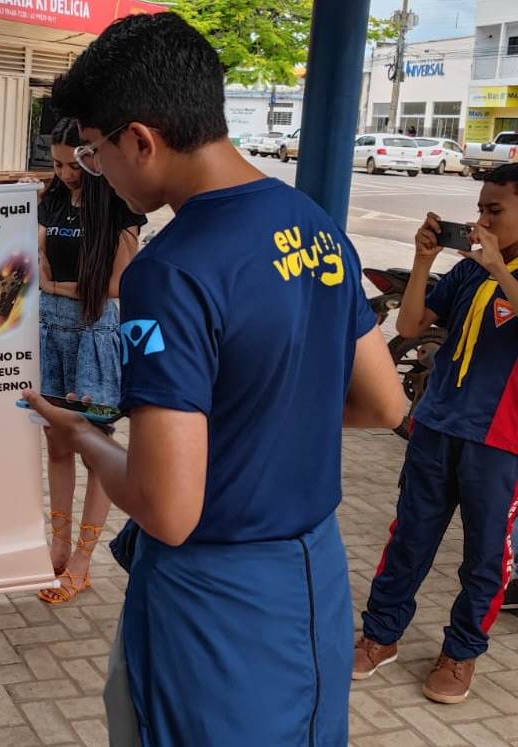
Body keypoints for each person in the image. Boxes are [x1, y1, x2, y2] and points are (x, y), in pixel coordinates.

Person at [27, 13, 405, 744]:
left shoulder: (170, 272)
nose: (97, 171)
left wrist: (80, 434)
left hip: (216, 605)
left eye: (98, 154)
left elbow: (168, 508)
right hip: (313, 582)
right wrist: (266, 420)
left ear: (141, 139)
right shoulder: (313, 223)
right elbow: (383, 400)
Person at [354, 163, 518, 704]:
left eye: (494, 210)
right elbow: (408, 327)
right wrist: (426, 260)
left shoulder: (494, 268)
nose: (480, 220)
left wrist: (500, 269)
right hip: (438, 422)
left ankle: (461, 651)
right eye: (479, 209)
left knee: (486, 555)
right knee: (411, 536)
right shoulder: (470, 270)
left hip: (500, 441)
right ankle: (380, 635)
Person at [35, 118, 145, 605]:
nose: (65, 173)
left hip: (96, 330)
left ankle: (83, 559)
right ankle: (58, 547)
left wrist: (61, 286)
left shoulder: (119, 206)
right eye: (56, 164)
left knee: (94, 444)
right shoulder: (53, 197)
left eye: (73, 162)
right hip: (48, 328)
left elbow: (121, 283)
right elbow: (33, 261)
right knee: (56, 438)